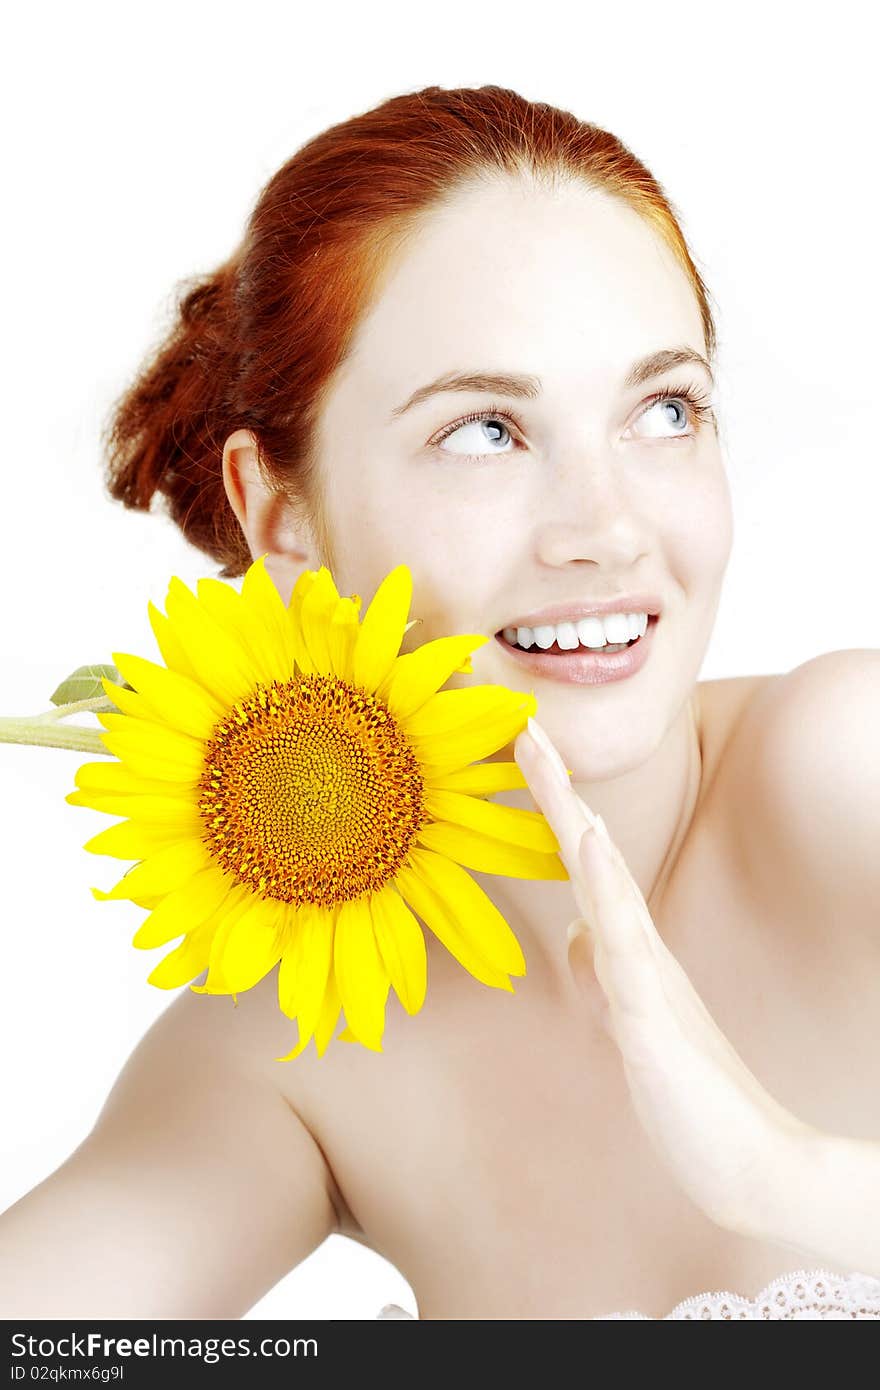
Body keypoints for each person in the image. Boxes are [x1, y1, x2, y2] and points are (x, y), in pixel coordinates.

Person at [1, 84, 878, 1322]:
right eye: (484, 431)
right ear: (277, 513)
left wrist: (783, 1178)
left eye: (663, 410)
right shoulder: (291, 1053)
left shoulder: (849, 770)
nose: (607, 529)